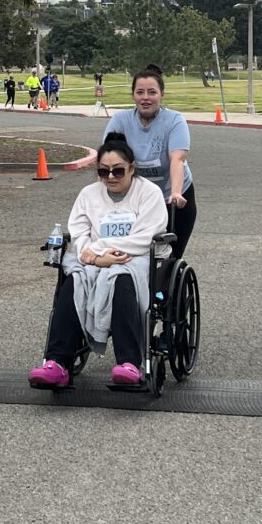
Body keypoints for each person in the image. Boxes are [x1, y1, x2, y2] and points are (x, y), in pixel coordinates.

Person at [28, 132, 168, 389]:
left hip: (134, 257)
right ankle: (57, 362)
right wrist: (90, 255)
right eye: (104, 172)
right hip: (93, 260)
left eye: (118, 171)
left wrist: (101, 252)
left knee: (122, 278)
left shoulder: (149, 193)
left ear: (132, 169)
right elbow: (78, 232)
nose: (111, 177)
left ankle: (129, 363)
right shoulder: (88, 195)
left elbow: (145, 236)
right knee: (75, 279)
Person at [103, 63, 196, 258]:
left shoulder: (174, 121)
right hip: (135, 199)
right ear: (133, 95)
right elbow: (108, 160)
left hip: (172, 197)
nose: (145, 98)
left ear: (162, 94)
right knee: (130, 254)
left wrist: (176, 193)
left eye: (152, 92)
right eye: (140, 92)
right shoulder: (121, 120)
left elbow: (177, 159)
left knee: (168, 258)